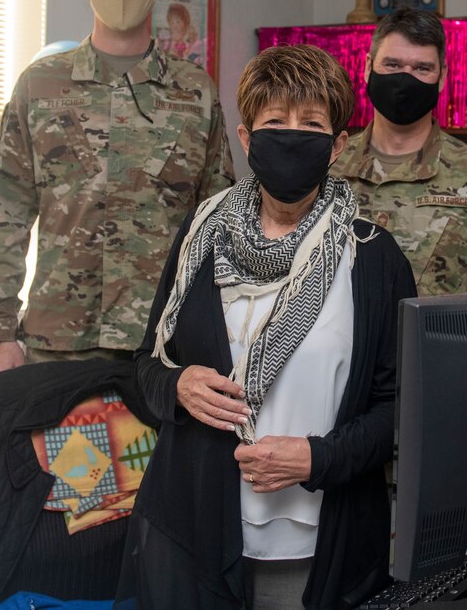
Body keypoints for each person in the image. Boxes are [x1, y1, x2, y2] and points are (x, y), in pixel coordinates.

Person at [116, 44, 416, 609]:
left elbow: (398, 408)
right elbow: (144, 368)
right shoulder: (197, 241)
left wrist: (319, 459)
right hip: (192, 537)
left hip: (315, 548)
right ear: (247, 138)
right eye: (275, 122)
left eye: (312, 124)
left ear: (338, 146)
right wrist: (177, 385)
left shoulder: (374, 260)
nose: (292, 135)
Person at [0, 0, 234, 372]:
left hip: (164, 346)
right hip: (59, 342)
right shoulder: (39, 86)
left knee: (155, 449)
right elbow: (5, 215)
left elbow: (221, 223)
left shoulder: (195, 92)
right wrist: (0, 334)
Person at [331, 7, 467, 295]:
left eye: (422, 68)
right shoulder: (327, 166)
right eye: (392, 65)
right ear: (368, 68)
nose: (405, 79)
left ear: (442, 77)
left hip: (436, 340)